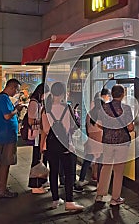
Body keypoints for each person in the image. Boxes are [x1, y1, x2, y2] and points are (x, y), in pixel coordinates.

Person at [40, 82, 84, 211]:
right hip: (66, 145)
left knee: (53, 172)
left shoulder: (45, 109)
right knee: (69, 174)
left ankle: (55, 199)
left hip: (51, 145)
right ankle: (69, 201)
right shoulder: (67, 108)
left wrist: (42, 145)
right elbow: (72, 127)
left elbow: (45, 130)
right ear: (63, 93)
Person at [96, 84, 134, 206]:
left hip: (107, 141)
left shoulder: (105, 107)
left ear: (112, 94)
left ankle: (100, 195)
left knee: (105, 167)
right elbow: (130, 127)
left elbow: (98, 124)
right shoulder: (126, 109)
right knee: (118, 171)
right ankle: (115, 198)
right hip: (122, 142)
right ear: (123, 94)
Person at [0, 78, 24, 198]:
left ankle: (1, 186)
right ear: (12, 87)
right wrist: (17, 110)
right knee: (5, 162)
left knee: (1, 161)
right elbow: (7, 116)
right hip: (7, 135)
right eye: (16, 90)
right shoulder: (3, 98)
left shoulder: (2, 98)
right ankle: (3, 190)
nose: (16, 93)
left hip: (4, 134)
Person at [76, 96, 104, 188]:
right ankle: (100, 182)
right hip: (100, 141)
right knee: (100, 163)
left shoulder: (89, 114)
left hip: (91, 140)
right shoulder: (102, 115)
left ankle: (81, 180)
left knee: (87, 161)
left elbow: (87, 128)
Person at [27, 83, 48, 194]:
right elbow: (31, 121)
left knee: (41, 159)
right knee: (37, 159)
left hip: (40, 134)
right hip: (37, 135)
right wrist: (45, 120)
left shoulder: (39, 103)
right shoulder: (34, 103)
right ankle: (35, 185)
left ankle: (41, 181)